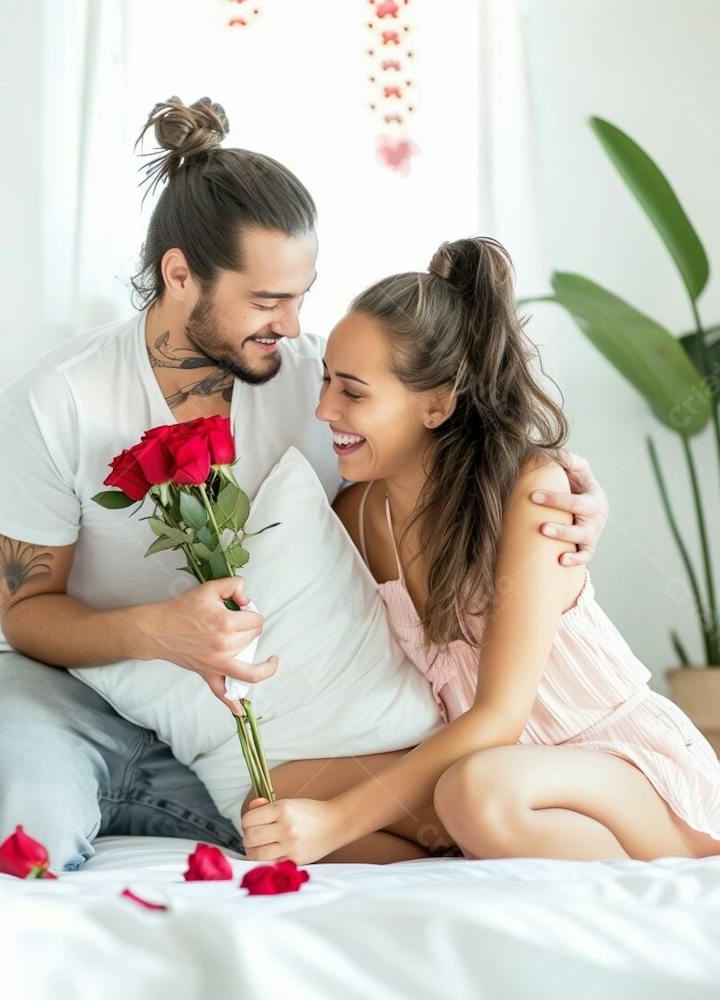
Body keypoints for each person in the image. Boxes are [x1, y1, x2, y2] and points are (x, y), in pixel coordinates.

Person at [0, 98, 609, 872]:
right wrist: (158, 631)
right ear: (179, 275)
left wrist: (571, 492)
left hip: (229, 724)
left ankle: (150, 801)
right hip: (59, 683)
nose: (290, 327)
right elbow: (28, 615)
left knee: (304, 814)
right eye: (265, 301)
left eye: (301, 295)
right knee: (23, 840)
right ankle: (21, 786)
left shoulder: (319, 385)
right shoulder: (52, 404)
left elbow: (457, 435)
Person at [239, 236, 720, 865]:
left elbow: (498, 717)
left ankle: (510, 839)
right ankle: (462, 852)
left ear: (437, 404)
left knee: (475, 789)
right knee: (274, 796)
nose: (325, 408)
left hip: (617, 768)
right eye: (327, 381)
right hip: (486, 772)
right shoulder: (358, 516)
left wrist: (337, 824)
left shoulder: (531, 492)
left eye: (353, 392)